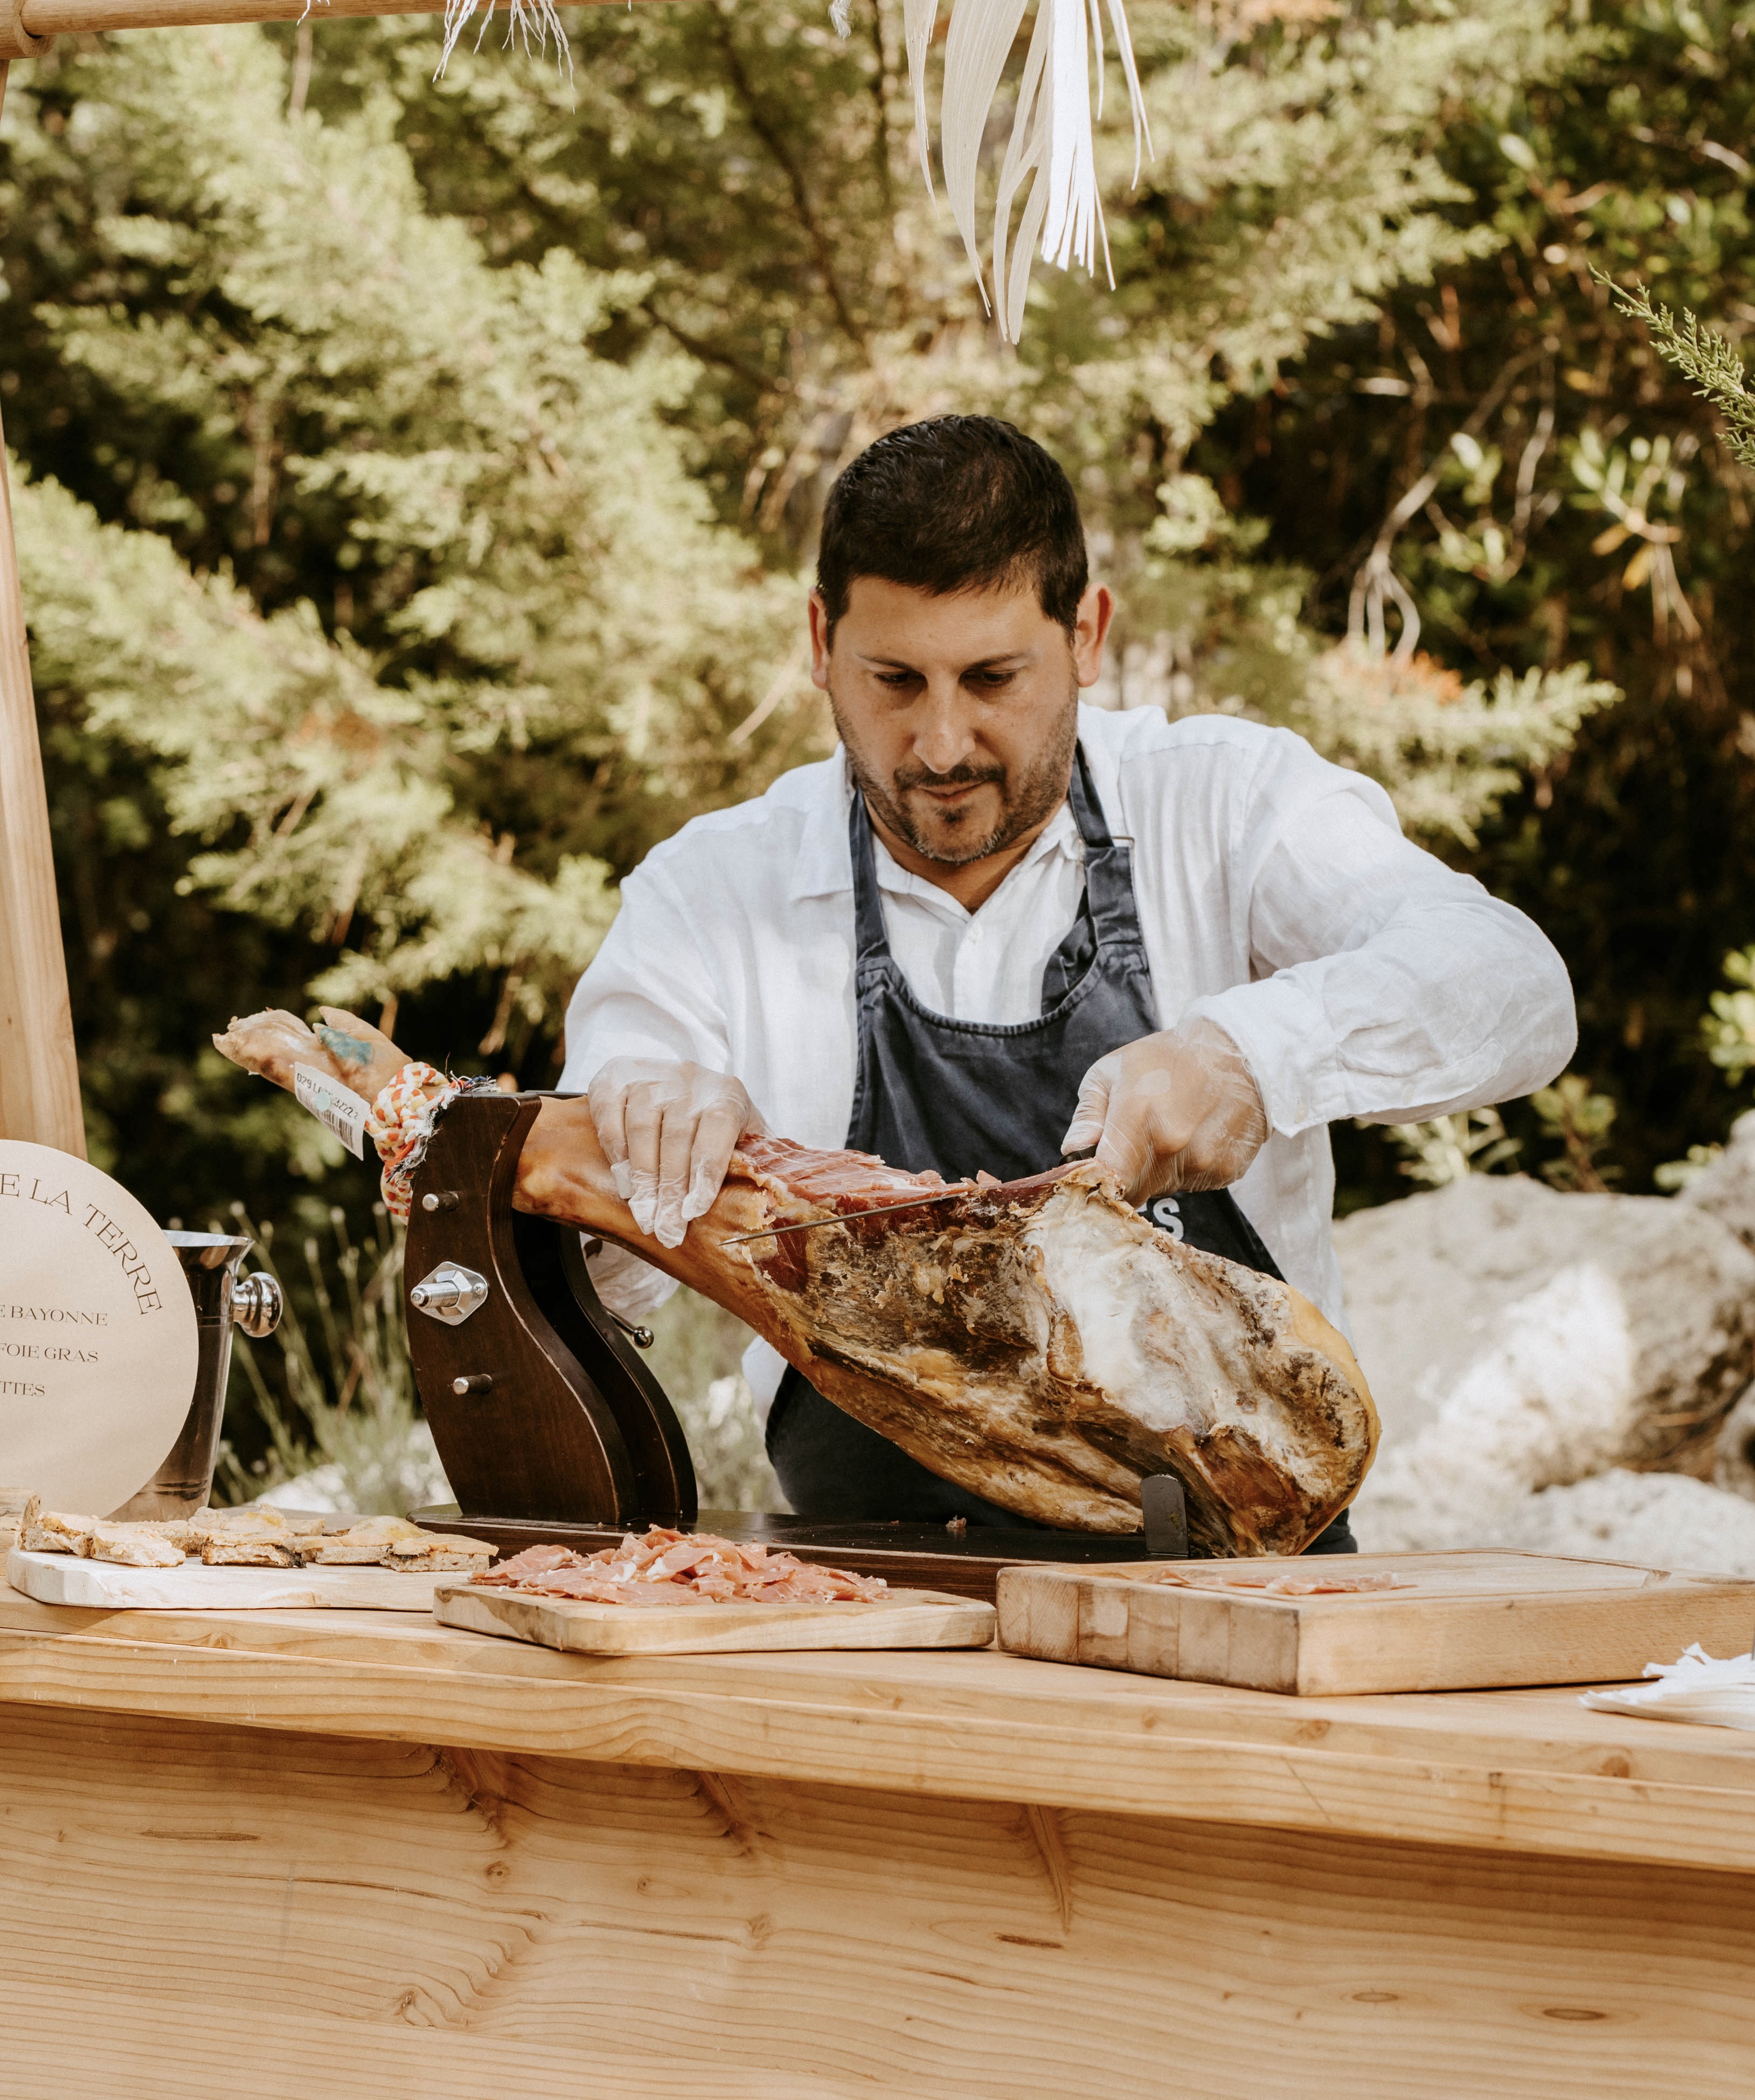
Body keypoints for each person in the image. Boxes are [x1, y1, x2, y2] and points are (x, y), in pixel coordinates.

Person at [561, 416, 1575, 1543]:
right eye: (894, 680)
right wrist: (643, 1157)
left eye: (994, 678)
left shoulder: (1225, 803)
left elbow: (1517, 985)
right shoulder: (709, 894)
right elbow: (584, 1263)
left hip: (1233, 1583)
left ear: (1087, 634)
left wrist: (1249, 1053)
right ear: (819, 641)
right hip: (868, 1590)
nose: (942, 744)